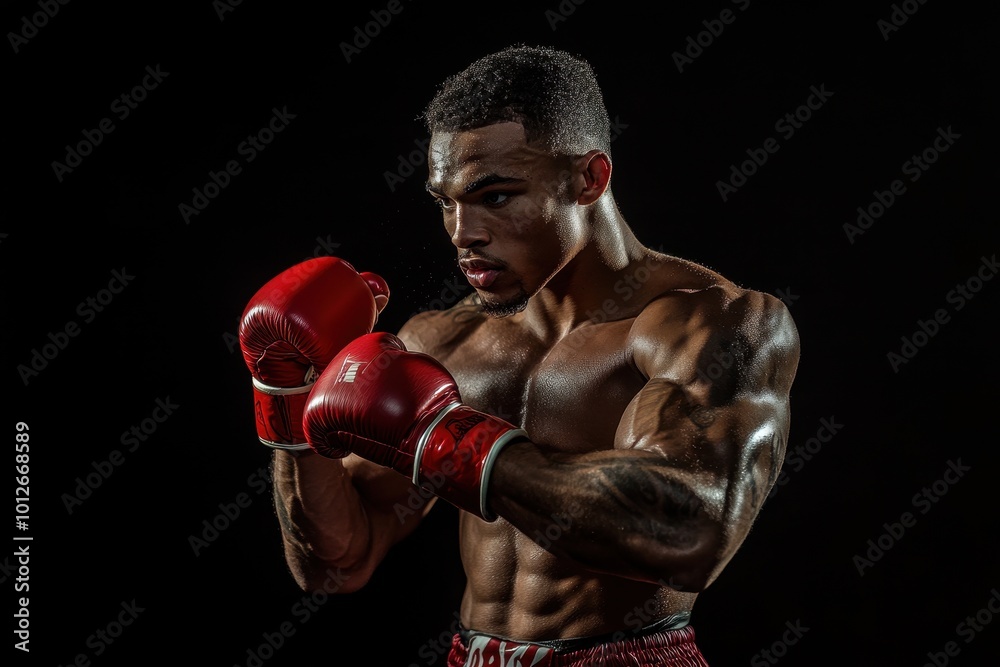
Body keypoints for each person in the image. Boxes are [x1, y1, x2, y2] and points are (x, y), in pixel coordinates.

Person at [247, 44, 801, 666]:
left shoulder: (708, 323)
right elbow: (338, 561)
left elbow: (691, 535)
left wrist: (446, 439)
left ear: (590, 179)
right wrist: (287, 398)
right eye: (446, 202)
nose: (463, 233)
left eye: (496, 197)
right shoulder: (444, 341)